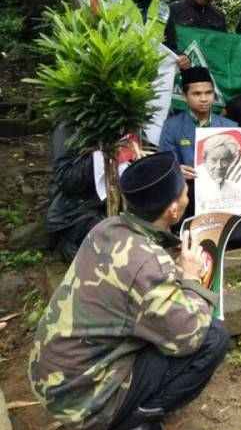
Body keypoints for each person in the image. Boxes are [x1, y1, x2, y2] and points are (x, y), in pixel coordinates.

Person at [29, 152, 229, 430]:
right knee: (213, 337)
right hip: (80, 395)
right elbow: (189, 337)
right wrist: (192, 278)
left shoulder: (107, 227)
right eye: (185, 191)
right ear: (173, 210)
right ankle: (136, 419)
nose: (188, 195)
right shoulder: (146, 261)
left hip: (53, 372)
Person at [159, 67, 237, 217]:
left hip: (224, 194)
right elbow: (164, 164)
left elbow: (238, 162)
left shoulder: (230, 126)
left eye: (208, 93)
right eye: (197, 94)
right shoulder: (172, 126)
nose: (204, 99)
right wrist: (177, 170)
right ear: (184, 96)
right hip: (188, 192)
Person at [45, 123, 106, 262]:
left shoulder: (123, 121)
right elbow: (66, 179)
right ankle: (67, 242)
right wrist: (101, 155)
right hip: (75, 212)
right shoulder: (67, 127)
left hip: (110, 204)